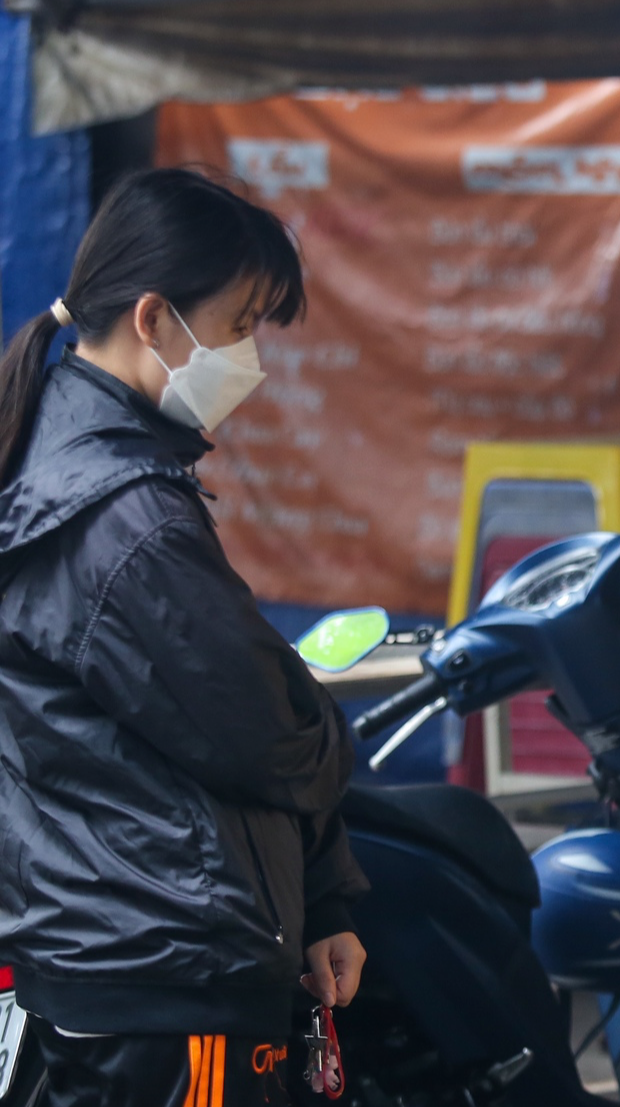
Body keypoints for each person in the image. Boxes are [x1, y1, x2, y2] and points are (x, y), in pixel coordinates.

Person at [0, 169, 367, 1106]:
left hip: (116, 963)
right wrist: (326, 722)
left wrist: (321, 898)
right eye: (240, 323)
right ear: (156, 318)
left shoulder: (66, 459)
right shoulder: (124, 522)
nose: (249, 355)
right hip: (165, 978)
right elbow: (267, 733)